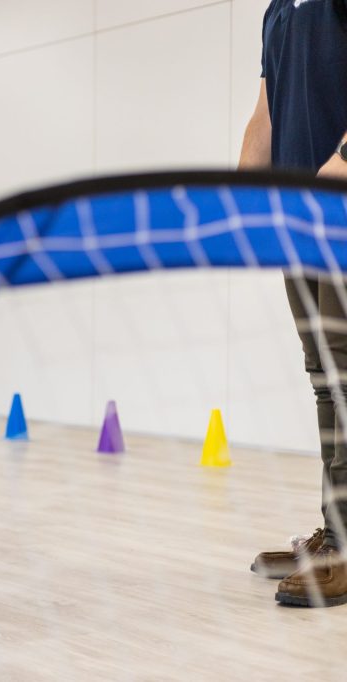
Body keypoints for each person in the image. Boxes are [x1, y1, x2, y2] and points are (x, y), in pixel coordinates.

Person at [240, 0, 347, 607]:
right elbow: (267, 111)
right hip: (298, 218)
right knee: (326, 375)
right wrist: (242, 197)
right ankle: (336, 531)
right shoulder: (277, 9)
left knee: (346, 372)